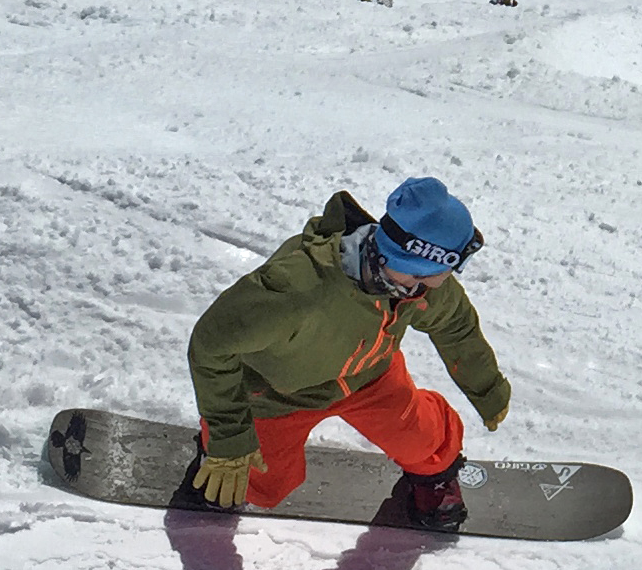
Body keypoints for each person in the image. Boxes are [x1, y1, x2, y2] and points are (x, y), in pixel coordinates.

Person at [184, 176, 508, 531]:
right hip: (277, 394)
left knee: (423, 441)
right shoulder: (298, 289)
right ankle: (212, 447)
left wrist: (487, 389)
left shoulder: (420, 287)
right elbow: (212, 344)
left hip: (371, 377)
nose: (454, 274)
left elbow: (456, 326)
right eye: (455, 263)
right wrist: (229, 436)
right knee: (261, 485)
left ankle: (435, 479)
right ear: (428, 260)